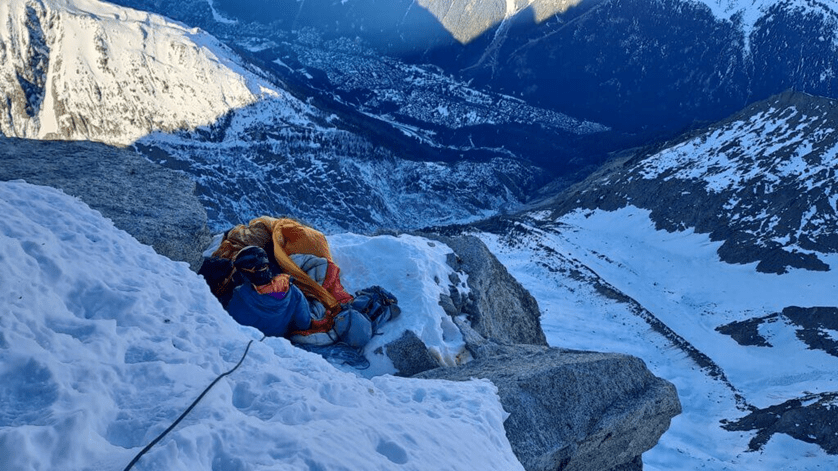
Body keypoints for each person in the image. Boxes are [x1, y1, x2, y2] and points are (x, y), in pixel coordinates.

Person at [224, 246, 312, 338]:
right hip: (283, 342)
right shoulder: (291, 290)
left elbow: (231, 327)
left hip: (255, 345)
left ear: (245, 273)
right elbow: (304, 323)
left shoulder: (238, 296)